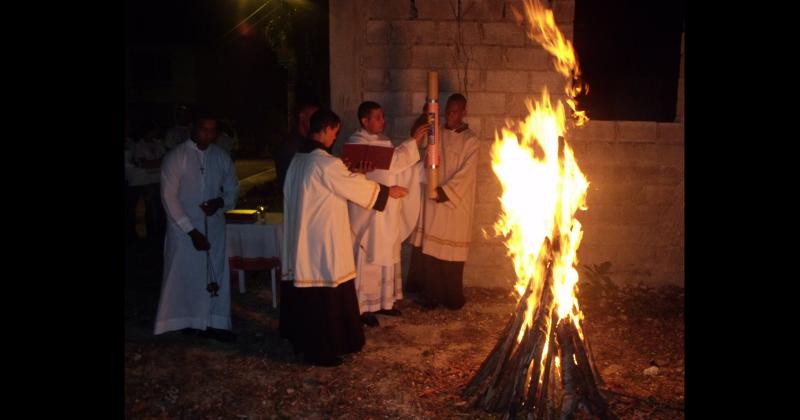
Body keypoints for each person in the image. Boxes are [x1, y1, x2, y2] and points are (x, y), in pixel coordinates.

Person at [280, 108, 409, 367]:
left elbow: (339, 182)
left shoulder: (299, 160)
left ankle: (305, 344)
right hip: (322, 243)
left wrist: (353, 172)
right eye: (335, 133)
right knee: (325, 295)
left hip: (303, 241)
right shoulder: (324, 163)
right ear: (326, 129)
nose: (334, 138)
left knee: (309, 295)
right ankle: (322, 350)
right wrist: (387, 191)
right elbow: (351, 186)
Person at [154, 112, 240, 342]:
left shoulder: (221, 157)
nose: (208, 134)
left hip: (214, 227)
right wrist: (190, 231)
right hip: (183, 230)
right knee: (187, 274)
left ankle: (216, 321)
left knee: (216, 273)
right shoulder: (176, 157)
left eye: (212, 130)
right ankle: (190, 320)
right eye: (204, 129)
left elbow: (232, 189)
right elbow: (168, 197)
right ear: (193, 129)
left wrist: (220, 202)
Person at [346, 101, 428, 327]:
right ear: (365, 121)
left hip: (387, 212)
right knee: (368, 257)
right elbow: (392, 164)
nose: (383, 121)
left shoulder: (384, 143)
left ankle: (385, 302)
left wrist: (417, 164)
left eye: (383, 117)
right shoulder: (356, 143)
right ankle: (364, 307)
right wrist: (413, 142)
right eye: (378, 117)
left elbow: (398, 166)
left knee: (388, 254)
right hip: (369, 213)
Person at [407, 93, 479, 310]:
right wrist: (425, 115)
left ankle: (451, 297)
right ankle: (430, 296)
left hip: (454, 203)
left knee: (451, 256)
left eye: (455, 111)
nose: (450, 115)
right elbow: (416, 138)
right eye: (448, 110)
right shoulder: (436, 132)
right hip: (433, 199)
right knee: (431, 253)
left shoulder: (471, 140)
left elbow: (467, 173)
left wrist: (445, 192)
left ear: (464, 113)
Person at [130, 123, 167, 243]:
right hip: (147, 182)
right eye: (154, 130)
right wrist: (157, 162)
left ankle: (161, 235)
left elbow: (166, 160)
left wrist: (156, 162)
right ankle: (151, 236)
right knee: (151, 210)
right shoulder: (139, 145)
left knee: (161, 209)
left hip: (160, 181)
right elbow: (144, 163)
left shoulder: (158, 143)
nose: (156, 133)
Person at [275, 101, 320, 190]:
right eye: (315, 117)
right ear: (302, 116)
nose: (318, 122)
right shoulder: (290, 146)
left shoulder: (310, 142)